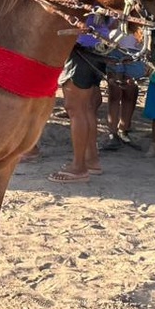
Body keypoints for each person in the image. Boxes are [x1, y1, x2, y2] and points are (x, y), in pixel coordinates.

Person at [48, 14, 116, 183]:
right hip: (97, 47)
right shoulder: (102, 2)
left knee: (75, 109)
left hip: (80, 50)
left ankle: (78, 166)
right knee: (87, 109)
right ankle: (91, 159)